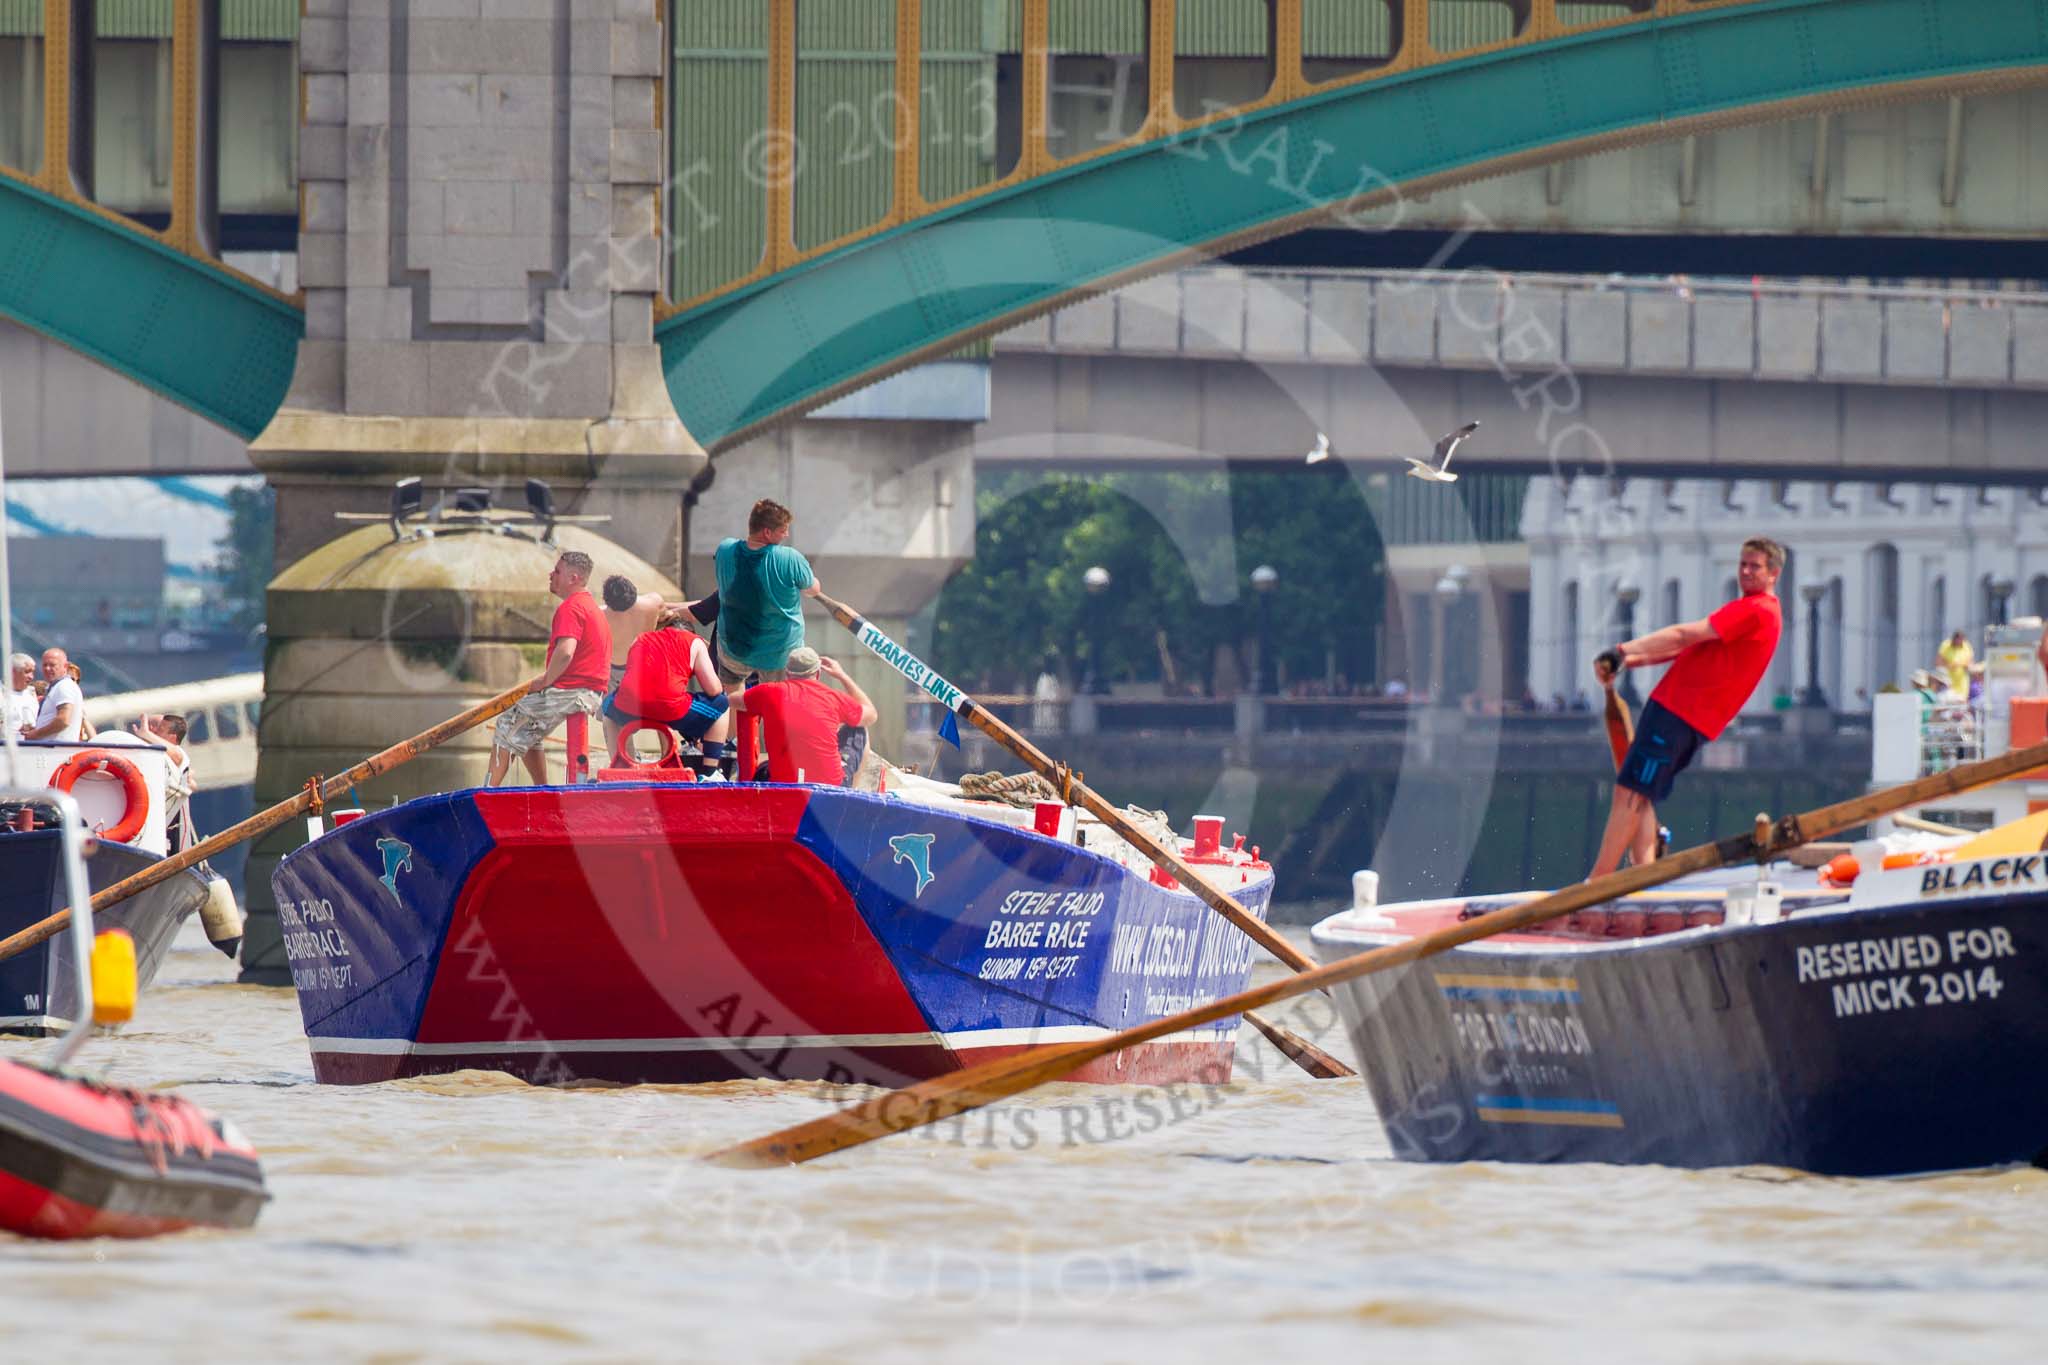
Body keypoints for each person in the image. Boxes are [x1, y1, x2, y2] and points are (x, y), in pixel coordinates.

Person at [1589, 537, 1785, 878]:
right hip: (1681, 715)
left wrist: (1620, 651)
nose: (1746, 571)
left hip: (1679, 713)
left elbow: (1682, 635)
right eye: (1743, 564)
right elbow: (1684, 648)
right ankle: (1641, 876)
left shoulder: (1756, 609)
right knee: (1639, 792)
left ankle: (1598, 882)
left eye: (1755, 566)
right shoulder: (1754, 611)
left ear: (1774, 574)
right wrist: (1627, 663)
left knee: (1630, 792)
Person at [487, 551, 612, 786]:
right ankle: (541, 787)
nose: (551, 575)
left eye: (557, 571)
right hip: (588, 692)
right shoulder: (591, 607)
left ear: (573, 578)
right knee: (529, 730)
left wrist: (546, 681)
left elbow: (565, 652)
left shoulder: (571, 608)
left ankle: (486, 790)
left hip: (572, 692)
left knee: (507, 723)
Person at [711, 499, 823, 688]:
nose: (786, 535)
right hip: (778, 654)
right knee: (777, 711)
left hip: (734, 649)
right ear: (767, 532)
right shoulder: (790, 558)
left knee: (734, 706)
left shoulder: (724, 549)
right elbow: (812, 590)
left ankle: (734, 717)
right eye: (782, 530)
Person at [729, 647, 877, 786]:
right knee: (860, 730)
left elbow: (731, 699)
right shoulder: (832, 697)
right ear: (818, 673)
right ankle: (850, 795)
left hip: (783, 785)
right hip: (831, 787)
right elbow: (871, 715)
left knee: (764, 769)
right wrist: (842, 675)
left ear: (787, 673)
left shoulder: (768, 692)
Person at [605, 621, 731, 778]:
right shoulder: (694, 641)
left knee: (608, 708)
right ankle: (710, 773)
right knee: (723, 703)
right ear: (691, 632)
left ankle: (624, 767)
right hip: (670, 708)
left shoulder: (640, 638)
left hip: (631, 708)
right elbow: (713, 689)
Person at [599, 574, 685, 750]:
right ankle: (669, 756)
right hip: (645, 668)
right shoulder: (652, 604)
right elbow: (669, 615)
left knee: (612, 719)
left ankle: (622, 763)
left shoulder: (599, 614)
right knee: (662, 715)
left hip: (615, 671)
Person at [132, 713, 195, 851]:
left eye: (159, 730)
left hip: (174, 829)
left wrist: (146, 734)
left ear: (172, 737)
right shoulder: (151, 753)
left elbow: (177, 756)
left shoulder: (178, 754)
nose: (154, 732)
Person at [22, 648, 83, 742]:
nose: (47, 668)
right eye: (44, 665)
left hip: (54, 750)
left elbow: (63, 720)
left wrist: (35, 734)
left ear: (65, 666)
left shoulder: (64, 686)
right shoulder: (57, 687)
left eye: (52, 665)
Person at [4, 653, 36, 735]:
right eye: (27, 672)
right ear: (13, 672)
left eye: (32, 672)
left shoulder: (32, 693)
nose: (31, 677)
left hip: (32, 746)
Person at [1937, 629, 1974, 698]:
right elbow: (1938, 662)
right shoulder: (1946, 645)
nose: (1959, 643)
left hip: (1962, 682)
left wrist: (1963, 665)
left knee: (1962, 702)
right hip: (1947, 681)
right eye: (1957, 641)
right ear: (1954, 639)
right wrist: (1949, 665)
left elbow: (1971, 662)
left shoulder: (1966, 645)